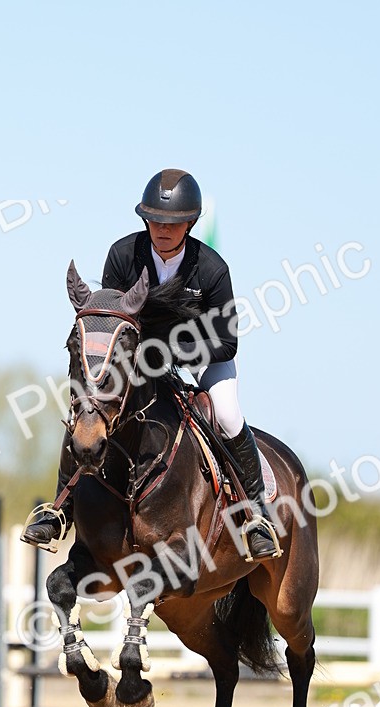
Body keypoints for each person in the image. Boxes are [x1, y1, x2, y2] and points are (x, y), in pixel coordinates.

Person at [22, 169, 278, 558]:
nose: (163, 229)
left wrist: (170, 353)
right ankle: (60, 512)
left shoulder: (211, 269)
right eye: (156, 220)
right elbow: (108, 320)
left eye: (173, 223)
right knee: (90, 408)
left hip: (202, 355)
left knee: (226, 414)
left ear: (190, 224)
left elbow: (226, 343)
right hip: (138, 358)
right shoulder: (124, 254)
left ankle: (256, 515)